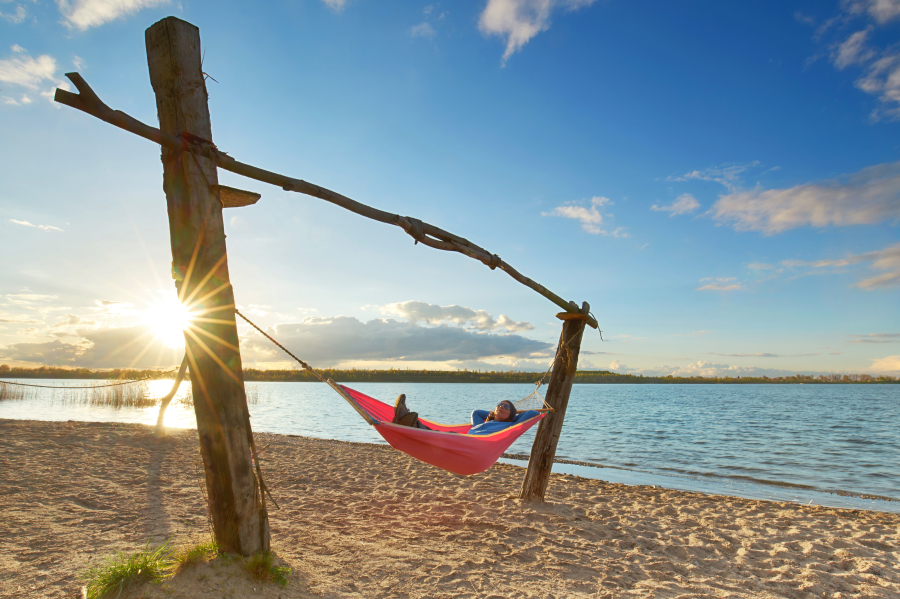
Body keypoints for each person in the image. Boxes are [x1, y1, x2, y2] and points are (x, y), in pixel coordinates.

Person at [392, 395, 539, 435]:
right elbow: (476, 412)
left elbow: (533, 413)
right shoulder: (481, 424)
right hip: (464, 438)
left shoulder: (510, 425)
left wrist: (513, 417)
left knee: (436, 434)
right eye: (499, 404)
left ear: (511, 414)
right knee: (435, 433)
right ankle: (406, 419)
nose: (501, 406)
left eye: (506, 406)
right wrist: (493, 413)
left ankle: (406, 418)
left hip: (470, 442)